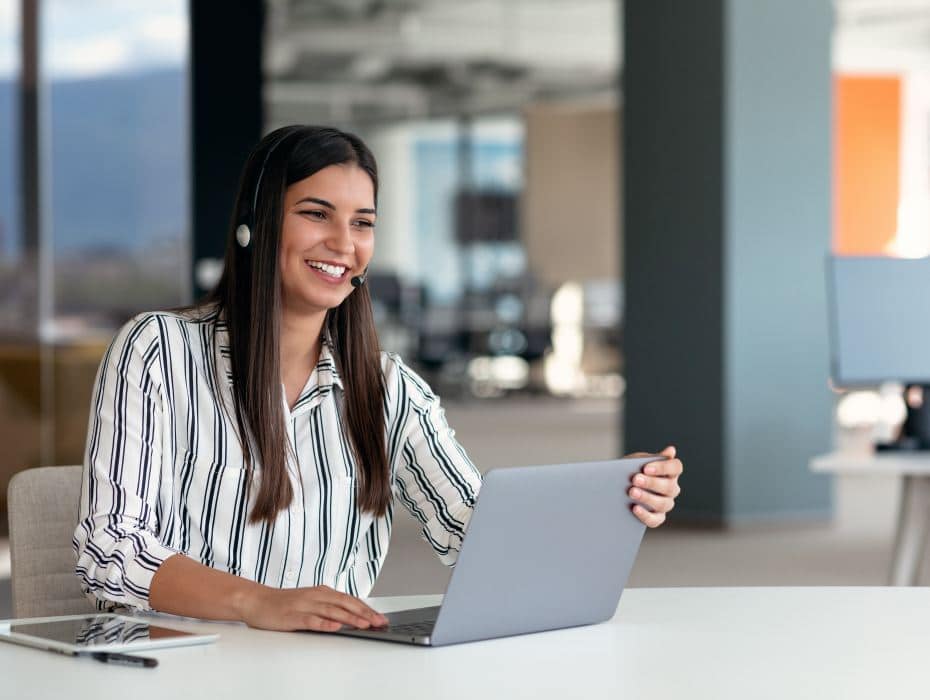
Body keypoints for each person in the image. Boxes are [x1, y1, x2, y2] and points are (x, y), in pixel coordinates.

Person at [73, 125, 684, 633]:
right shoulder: (157, 350)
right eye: (317, 214)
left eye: (363, 223)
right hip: (176, 668)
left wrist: (610, 499)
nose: (344, 243)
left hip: (326, 669)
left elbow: (475, 533)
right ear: (255, 223)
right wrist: (259, 602)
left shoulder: (390, 388)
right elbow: (110, 549)